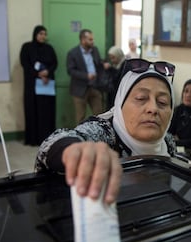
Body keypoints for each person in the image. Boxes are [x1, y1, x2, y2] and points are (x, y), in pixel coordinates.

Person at [35, 58, 176, 202]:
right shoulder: (105, 133)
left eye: (162, 102)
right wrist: (75, 150)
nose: (153, 109)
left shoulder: (168, 142)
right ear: (120, 104)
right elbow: (53, 143)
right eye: (141, 98)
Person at [20, 25, 58, 146]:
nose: (43, 36)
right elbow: (25, 64)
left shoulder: (49, 48)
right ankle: (33, 139)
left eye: (45, 34)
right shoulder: (27, 47)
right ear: (35, 34)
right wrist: (38, 74)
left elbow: (54, 63)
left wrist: (47, 73)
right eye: (41, 34)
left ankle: (47, 138)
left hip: (46, 86)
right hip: (32, 86)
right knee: (33, 111)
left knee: (46, 112)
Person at [67, 29, 106, 123]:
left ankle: (99, 135)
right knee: (81, 117)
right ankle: (81, 137)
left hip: (95, 87)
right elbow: (71, 71)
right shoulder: (73, 53)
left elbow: (98, 62)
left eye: (92, 39)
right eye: (90, 39)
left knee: (100, 116)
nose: (93, 41)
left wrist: (103, 64)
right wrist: (86, 76)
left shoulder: (95, 50)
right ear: (83, 40)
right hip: (79, 89)